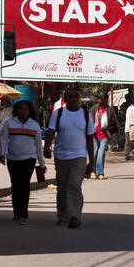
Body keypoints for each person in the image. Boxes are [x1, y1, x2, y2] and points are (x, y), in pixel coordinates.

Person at [44, 89, 96, 229]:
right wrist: (46, 147)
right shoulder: (59, 113)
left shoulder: (85, 115)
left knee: (74, 185)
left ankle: (74, 216)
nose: (72, 99)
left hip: (79, 156)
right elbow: (50, 132)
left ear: (78, 98)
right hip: (61, 156)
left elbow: (90, 138)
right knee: (62, 187)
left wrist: (91, 160)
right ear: (65, 99)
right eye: (69, 96)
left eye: (75, 96)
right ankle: (62, 216)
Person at [0, 98, 45, 225]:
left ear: (29, 111)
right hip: (13, 159)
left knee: (24, 185)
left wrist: (42, 164)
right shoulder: (9, 123)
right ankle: (16, 214)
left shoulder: (34, 125)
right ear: (16, 110)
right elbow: (2, 138)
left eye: (25, 109)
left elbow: (38, 145)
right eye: (20, 108)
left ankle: (23, 214)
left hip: (29, 159)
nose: (23, 111)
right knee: (15, 186)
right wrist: (2, 154)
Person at [90, 97, 113, 180]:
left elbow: (114, 123)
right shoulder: (94, 108)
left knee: (101, 154)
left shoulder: (110, 110)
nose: (99, 100)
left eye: (101, 99)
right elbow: (89, 120)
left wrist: (107, 128)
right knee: (94, 153)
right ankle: (93, 171)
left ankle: (100, 173)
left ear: (105, 100)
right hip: (94, 135)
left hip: (104, 136)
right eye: (98, 99)